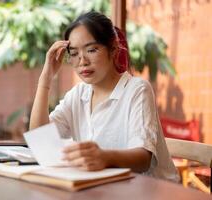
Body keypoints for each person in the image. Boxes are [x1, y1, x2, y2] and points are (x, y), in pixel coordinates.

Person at [29, 11, 179, 182]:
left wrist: (104, 157)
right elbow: (39, 138)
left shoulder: (136, 89)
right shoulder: (78, 95)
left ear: (113, 49)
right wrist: (45, 79)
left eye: (91, 50)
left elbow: (143, 159)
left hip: (151, 190)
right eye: (74, 53)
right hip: (105, 188)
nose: (82, 61)